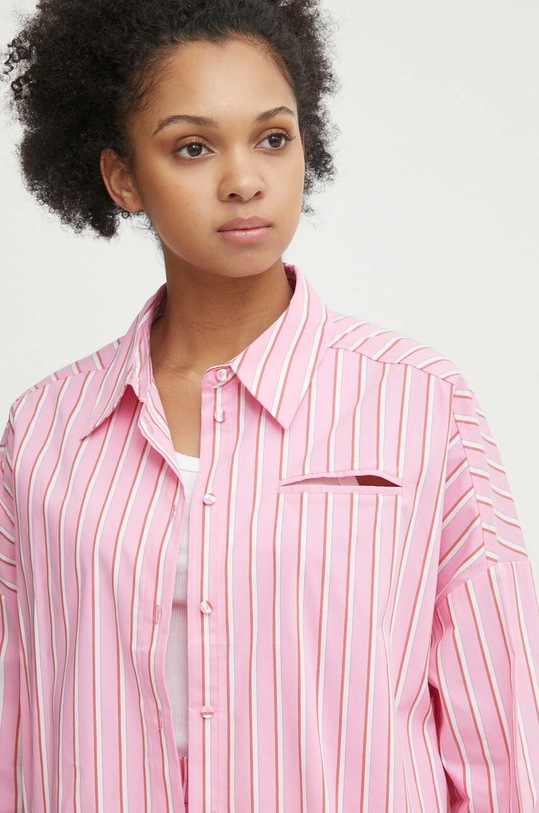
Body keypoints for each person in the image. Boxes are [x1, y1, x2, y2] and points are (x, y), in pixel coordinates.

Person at [1, 0, 538, 810]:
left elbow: (500, 739)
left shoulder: (420, 403)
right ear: (122, 178)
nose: (244, 180)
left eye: (272, 138)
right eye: (192, 147)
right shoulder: (45, 431)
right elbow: (16, 721)